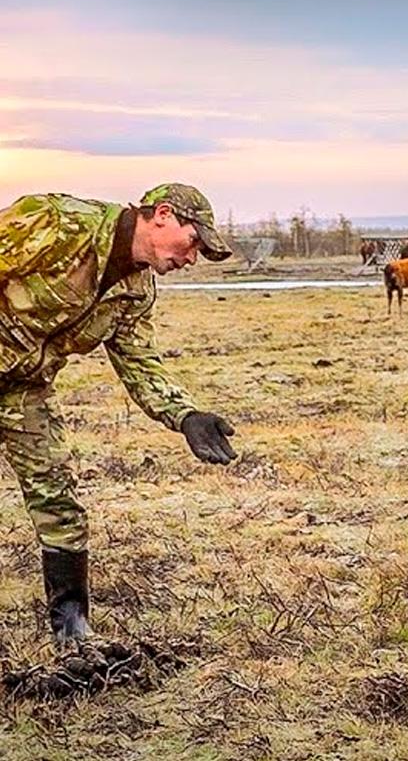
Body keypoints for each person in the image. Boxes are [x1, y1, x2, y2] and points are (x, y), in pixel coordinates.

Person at [0, 182, 238, 643]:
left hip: (24, 391)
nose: (190, 260)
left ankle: (72, 629)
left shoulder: (136, 291)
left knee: (58, 498)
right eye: (193, 243)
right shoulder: (57, 224)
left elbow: (140, 365)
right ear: (162, 215)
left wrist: (186, 416)